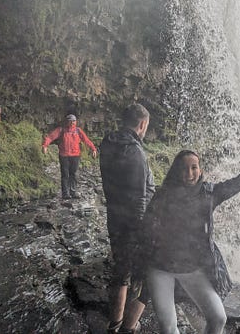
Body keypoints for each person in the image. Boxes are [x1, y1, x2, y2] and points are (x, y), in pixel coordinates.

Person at [131, 145, 240, 334]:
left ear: (200, 170)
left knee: (219, 318)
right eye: (184, 168)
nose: (190, 172)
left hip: (191, 269)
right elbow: (145, 230)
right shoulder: (163, 195)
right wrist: (137, 269)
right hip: (160, 268)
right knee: (168, 328)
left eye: (194, 167)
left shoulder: (209, 194)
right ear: (177, 171)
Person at [99, 103, 156, 334]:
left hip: (114, 215)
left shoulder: (107, 143)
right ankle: (129, 326)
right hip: (134, 223)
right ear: (142, 124)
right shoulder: (136, 153)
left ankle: (114, 323)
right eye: (146, 126)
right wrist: (144, 230)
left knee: (121, 270)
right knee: (146, 275)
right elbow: (140, 197)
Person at [42, 114, 97, 199]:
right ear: (67, 122)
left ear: (76, 122)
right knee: (65, 174)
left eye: (74, 121)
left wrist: (93, 149)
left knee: (73, 174)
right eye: (70, 121)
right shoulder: (61, 130)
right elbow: (50, 137)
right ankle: (65, 193)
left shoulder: (78, 131)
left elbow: (86, 140)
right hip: (64, 156)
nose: (72, 122)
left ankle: (73, 191)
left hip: (75, 156)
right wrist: (45, 146)